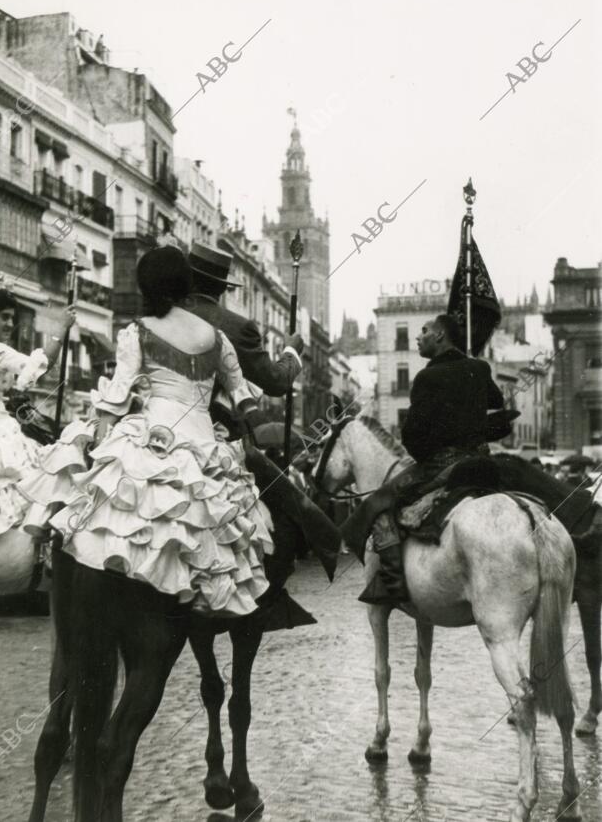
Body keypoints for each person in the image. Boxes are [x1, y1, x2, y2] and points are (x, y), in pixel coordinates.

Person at [19, 247, 290, 619]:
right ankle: (208, 595)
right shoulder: (219, 337)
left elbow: (116, 397)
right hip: (204, 447)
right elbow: (246, 401)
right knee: (238, 526)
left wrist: (97, 447)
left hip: (150, 433)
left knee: (96, 501)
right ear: (187, 285)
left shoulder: (139, 331)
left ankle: (57, 560)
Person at [181, 242, 341, 591]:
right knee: (286, 506)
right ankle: (272, 585)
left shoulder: (160, 317)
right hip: (216, 437)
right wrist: (291, 351)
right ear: (223, 288)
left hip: (154, 430)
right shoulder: (235, 327)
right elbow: (274, 382)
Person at [343, 313, 505, 605]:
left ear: (440, 335)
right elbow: (496, 401)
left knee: (380, 505)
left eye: (425, 330)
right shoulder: (479, 368)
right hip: (483, 462)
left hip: (443, 464)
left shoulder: (427, 377)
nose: (419, 336)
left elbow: (412, 436)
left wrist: (425, 456)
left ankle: (391, 585)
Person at [0, 287, 76, 678]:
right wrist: (60, 331)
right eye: (4, 317)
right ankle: (49, 563)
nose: (10, 324)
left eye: (12, 318)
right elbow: (37, 368)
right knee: (46, 482)